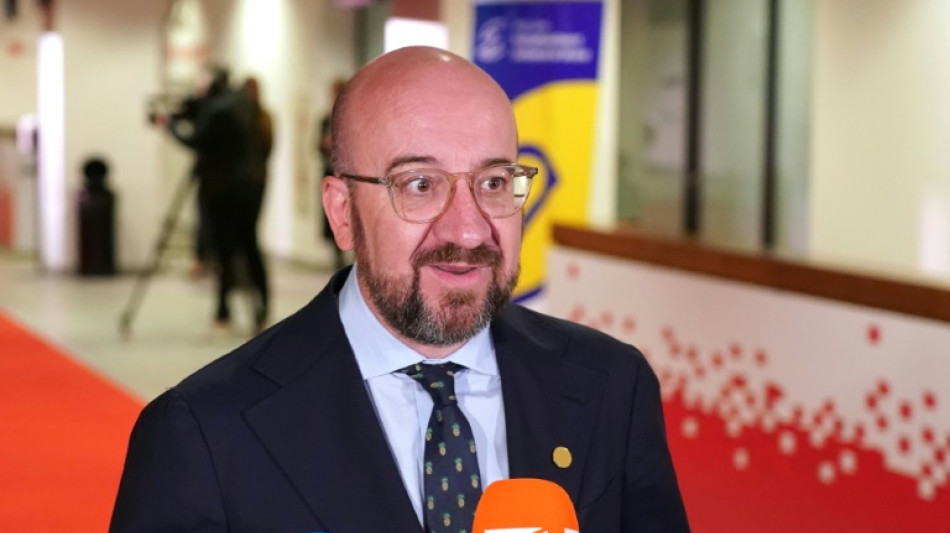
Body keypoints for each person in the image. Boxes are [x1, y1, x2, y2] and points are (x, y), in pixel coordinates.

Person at [111, 47, 690, 532]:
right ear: (342, 212)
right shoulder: (202, 434)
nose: (468, 230)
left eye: (493, 182)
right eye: (419, 184)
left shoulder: (613, 386)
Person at [164, 66, 268, 333]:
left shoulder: (216, 110)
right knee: (250, 247)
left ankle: (224, 312)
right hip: (249, 189)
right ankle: (261, 310)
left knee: (225, 252)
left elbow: (195, 140)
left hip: (222, 191)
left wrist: (170, 126)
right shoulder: (242, 103)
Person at [317, 78, 347, 270]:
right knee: (332, 217)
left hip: (346, 175)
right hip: (330, 171)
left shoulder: (352, 118)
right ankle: (337, 257)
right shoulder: (326, 119)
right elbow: (317, 146)